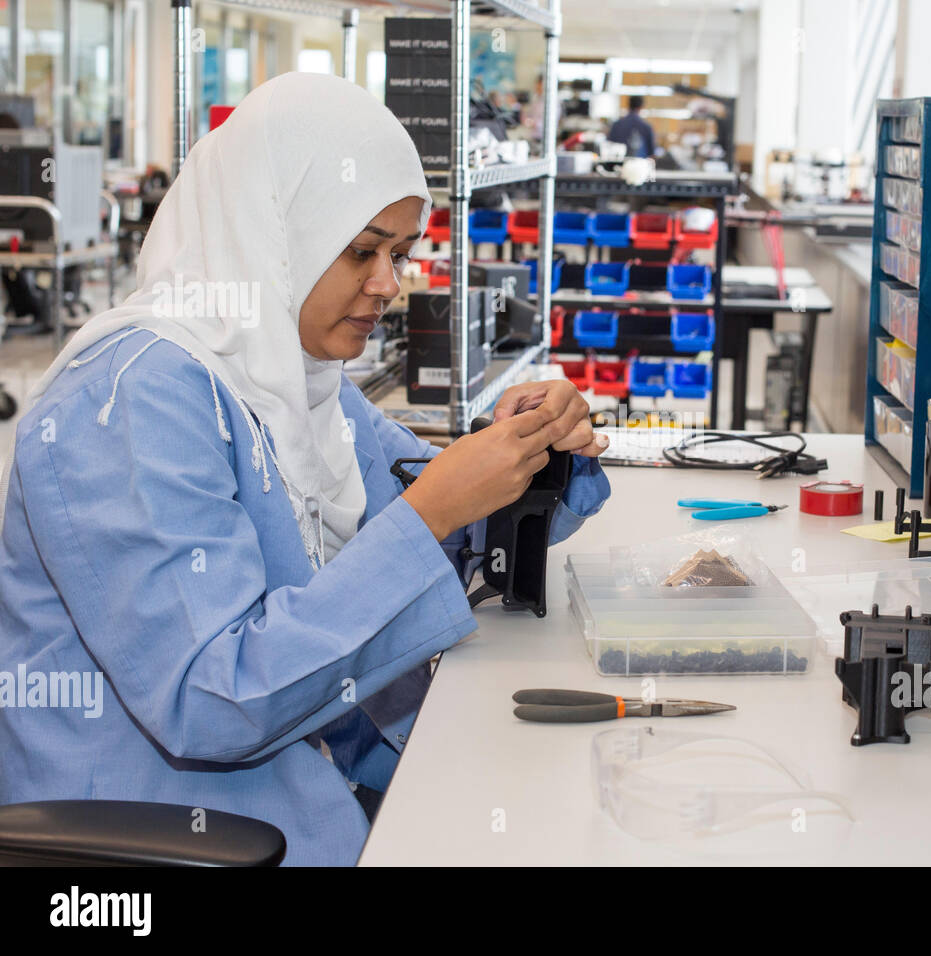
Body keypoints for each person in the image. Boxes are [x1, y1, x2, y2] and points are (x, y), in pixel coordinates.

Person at [0, 72, 611, 866]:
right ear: (274, 231)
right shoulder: (125, 406)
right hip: (177, 824)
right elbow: (211, 701)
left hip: (317, 763)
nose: (389, 286)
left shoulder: (288, 375)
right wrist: (431, 512)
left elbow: (429, 503)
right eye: (362, 251)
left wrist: (536, 453)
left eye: (400, 253)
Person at [607, 95, 656, 159]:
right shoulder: (646, 127)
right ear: (641, 107)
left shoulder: (616, 125)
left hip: (617, 164)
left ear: (628, 105)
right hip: (639, 164)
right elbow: (651, 153)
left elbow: (609, 146)